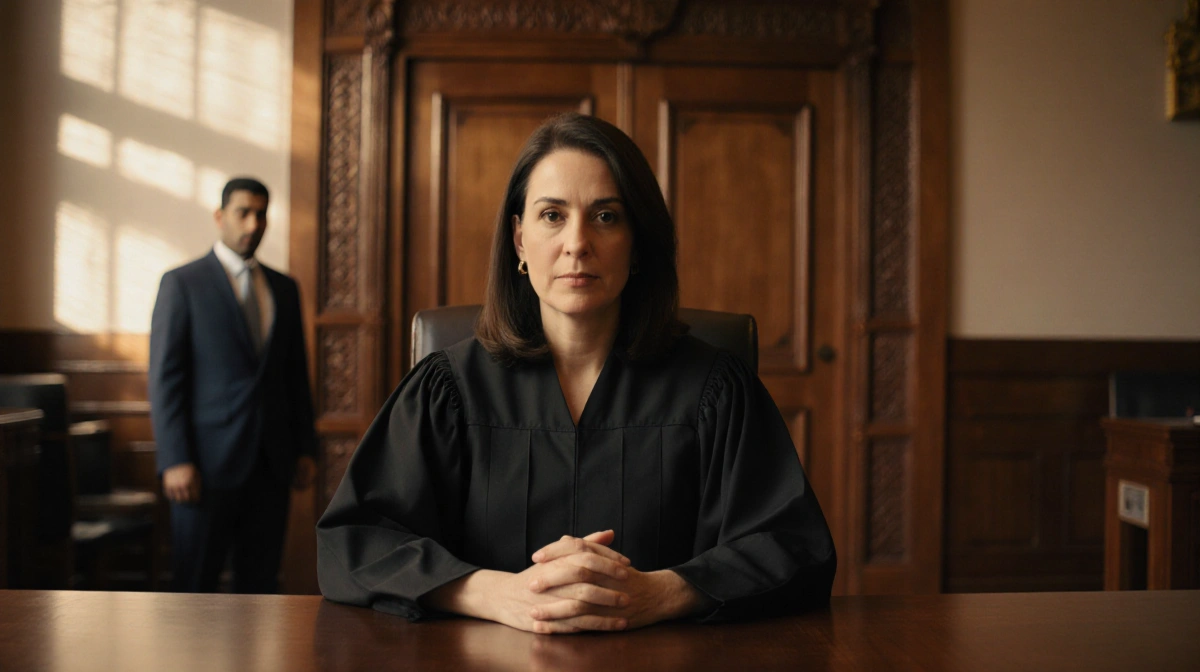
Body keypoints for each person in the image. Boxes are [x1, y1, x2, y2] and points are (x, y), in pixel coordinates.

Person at [316, 114, 835, 633]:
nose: (577, 243)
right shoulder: (448, 390)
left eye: (606, 216)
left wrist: (662, 593)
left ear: (637, 244)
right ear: (519, 240)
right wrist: (496, 593)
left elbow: (795, 548)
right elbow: (351, 543)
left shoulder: (715, 390)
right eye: (552, 215)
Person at [149, 177, 318, 593]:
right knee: (194, 588)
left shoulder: (284, 288)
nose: (253, 223)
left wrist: (305, 448)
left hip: (271, 464)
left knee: (260, 589)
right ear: (220, 216)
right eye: (243, 212)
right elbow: (165, 377)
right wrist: (174, 459)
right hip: (202, 468)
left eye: (261, 214)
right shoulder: (182, 283)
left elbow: (295, 374)